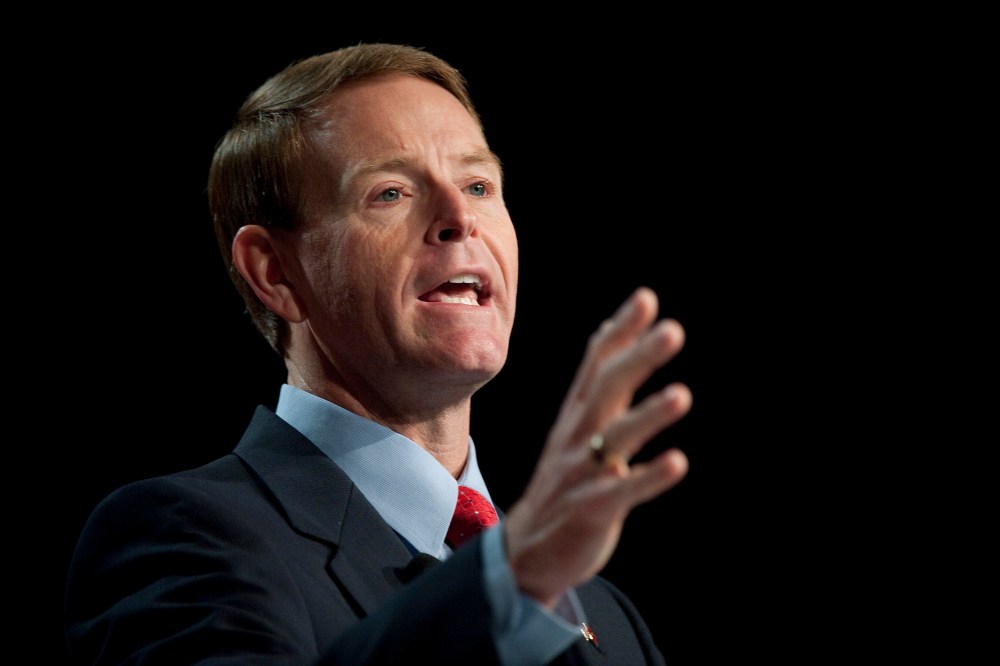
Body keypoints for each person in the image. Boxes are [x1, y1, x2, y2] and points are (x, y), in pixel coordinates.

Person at [64, 42, 692, 665]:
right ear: (276, 271)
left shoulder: (598, 611)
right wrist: (509, 581)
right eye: (390, 192)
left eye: (478, 185)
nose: (459, 218)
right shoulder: (180, 536)